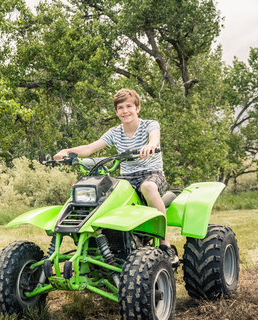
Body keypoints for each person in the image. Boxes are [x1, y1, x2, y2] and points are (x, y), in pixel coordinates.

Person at [54, 88, 179, 267]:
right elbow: (90, 148)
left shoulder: (149, 124)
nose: (125, 111)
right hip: (127, 177)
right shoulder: (115, 132)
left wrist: (150, 145)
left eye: (129, 106)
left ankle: (166, 245)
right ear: (116, 112)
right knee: (102, 194)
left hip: (151, 174)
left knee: (148, 187)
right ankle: (102, 247)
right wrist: (67, 152)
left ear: (138, 108)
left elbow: (155, 137)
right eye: (120, 107)